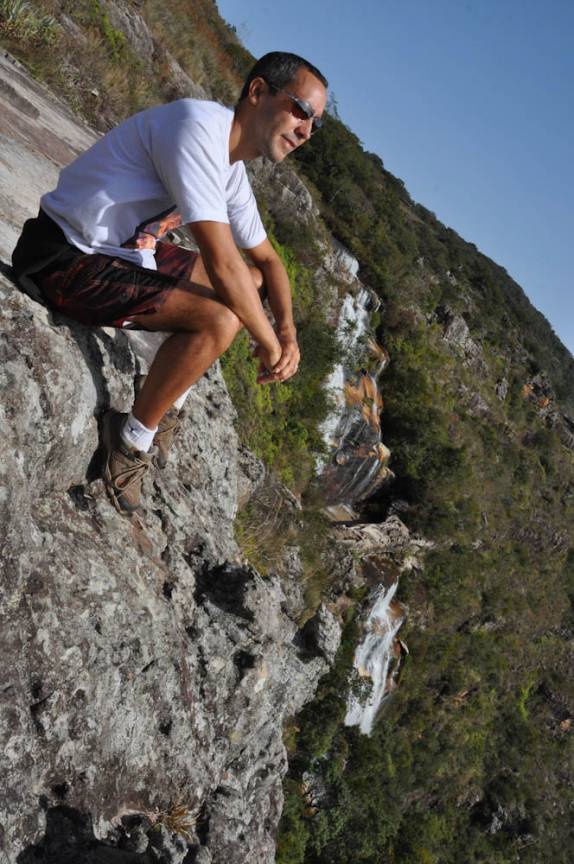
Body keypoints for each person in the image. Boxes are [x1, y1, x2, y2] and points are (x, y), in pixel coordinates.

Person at [12, 51, 328, 514]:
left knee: (253, 283)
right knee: (221, 319)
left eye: (316, 123)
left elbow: (268, 263)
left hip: (121, 254)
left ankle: (167, 399)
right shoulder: (197, 128)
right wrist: (268, 343)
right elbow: (221, 262)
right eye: (302, 110)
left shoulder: (232, 170)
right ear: (258, 92)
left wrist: (287, 333)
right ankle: (129, 443)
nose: (306, 131)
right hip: (64, 257)